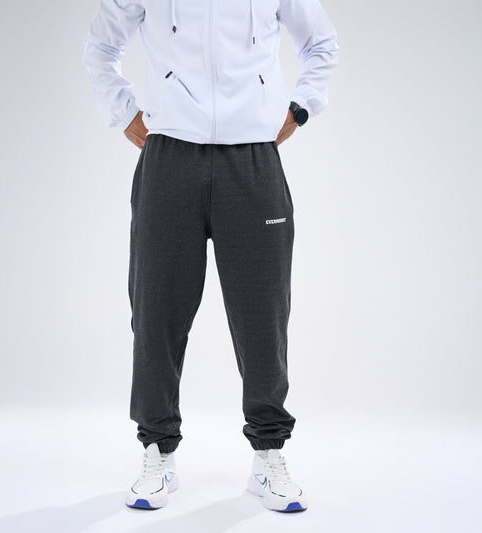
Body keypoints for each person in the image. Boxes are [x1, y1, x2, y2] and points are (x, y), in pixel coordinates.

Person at [82, 0, 339, 513]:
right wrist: (123, 112)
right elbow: (100, 46)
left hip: (254, 158)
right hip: (170, 156)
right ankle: (157, 452)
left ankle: (268, 455)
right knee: (156, 312)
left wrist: (300, 107)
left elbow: (321, 44)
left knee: (263, 316)